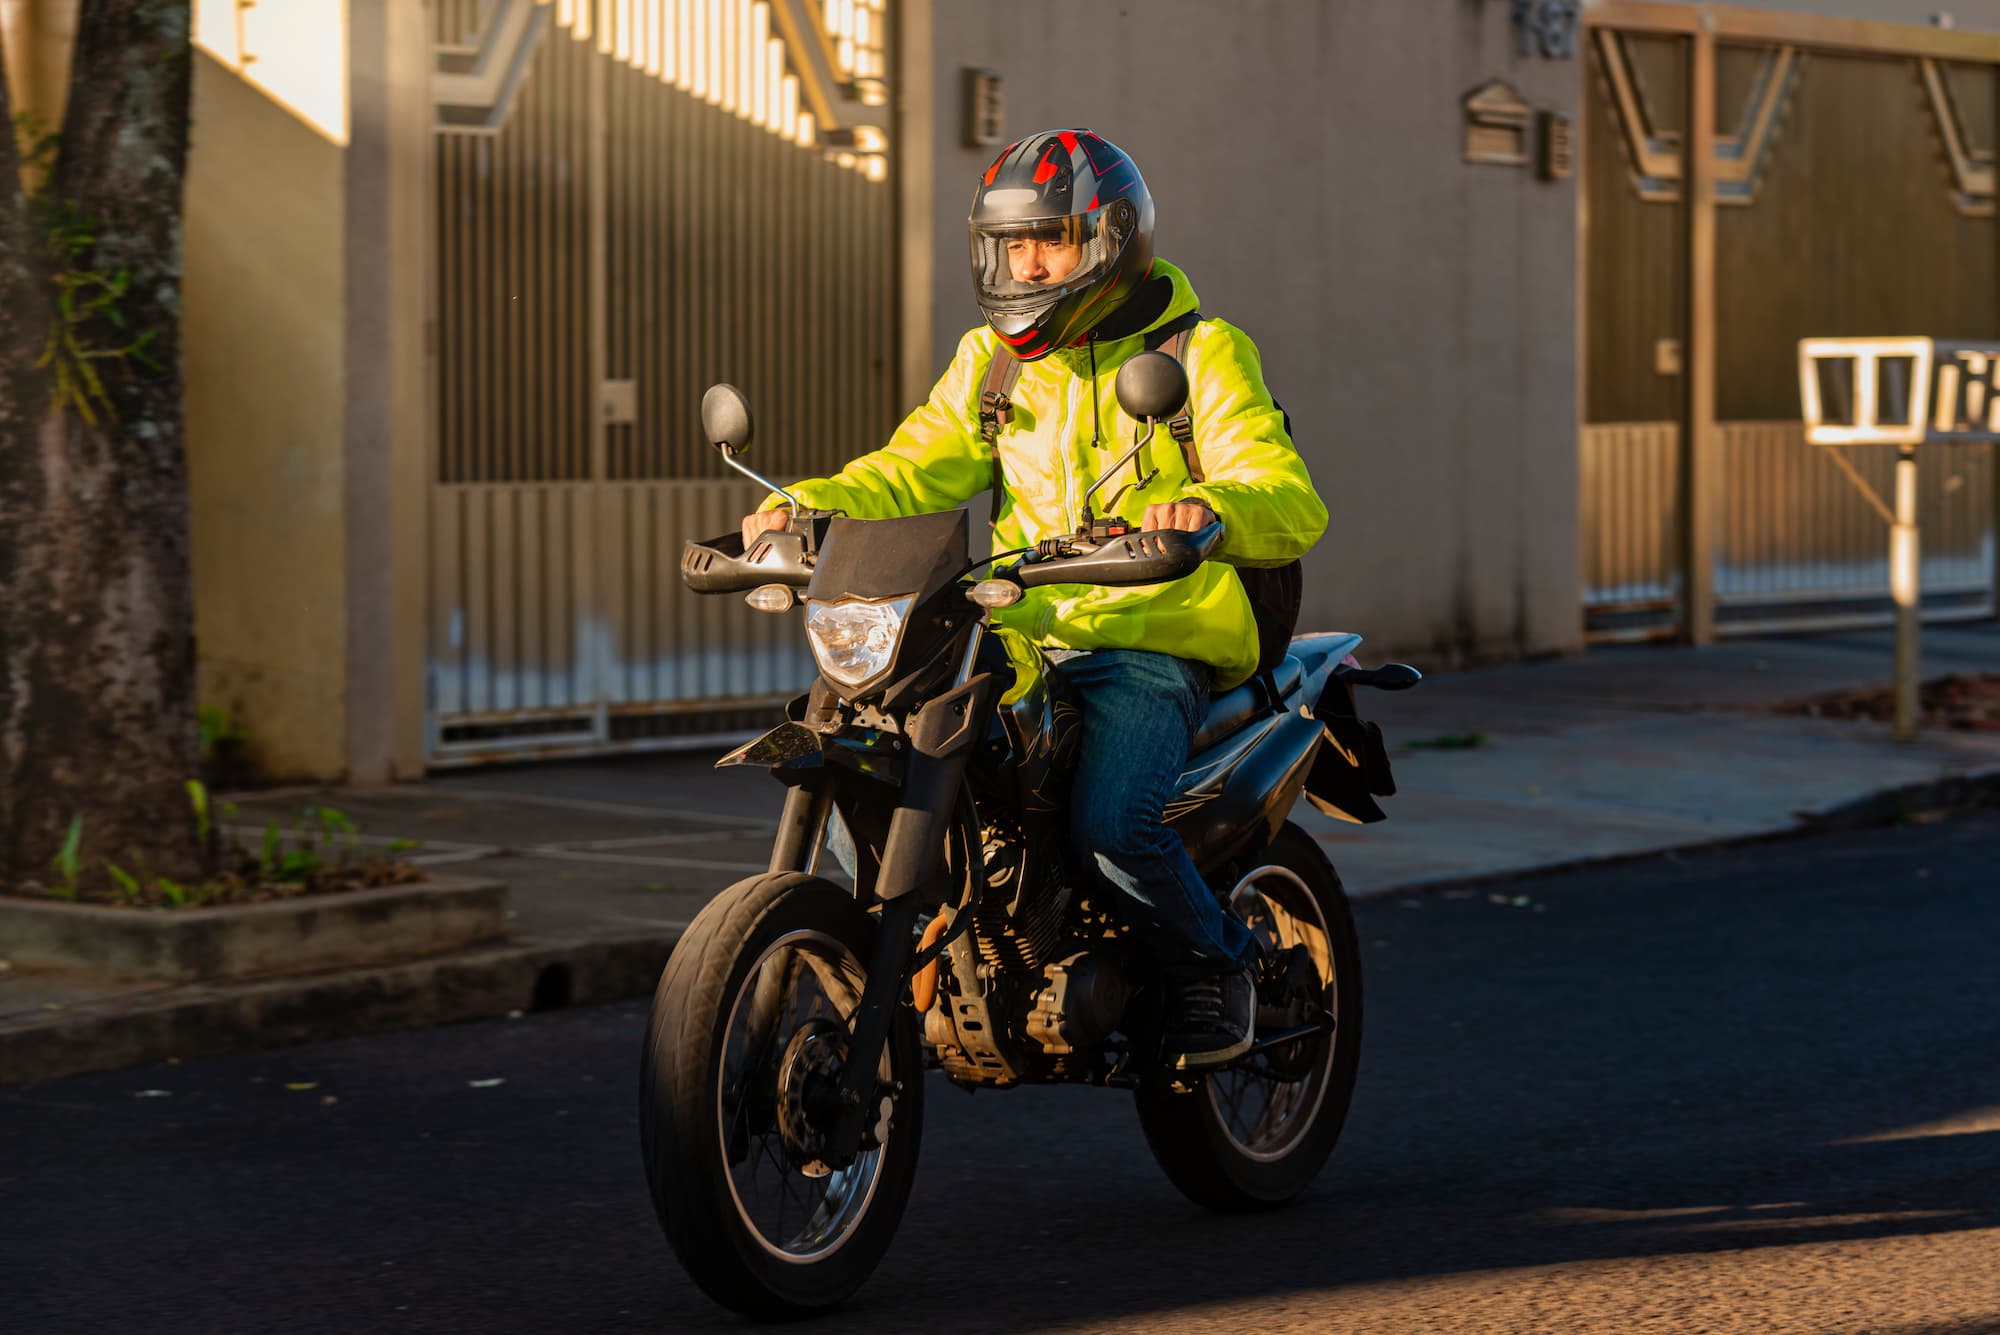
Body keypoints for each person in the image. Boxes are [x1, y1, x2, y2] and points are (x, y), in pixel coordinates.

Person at [740, 129, 1326, 1069]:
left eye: (1047, 242)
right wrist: (810, 505)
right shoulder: (996, 365)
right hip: (1017, 635)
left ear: (1110, 238)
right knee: (879, 773)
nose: (1026, 265)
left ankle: (1220, 967)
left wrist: (1207, 508)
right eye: (1011, 246)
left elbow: (1288, 496)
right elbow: (908, 470)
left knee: (1112, 824)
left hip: (1148, 642)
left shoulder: (1201, 352)